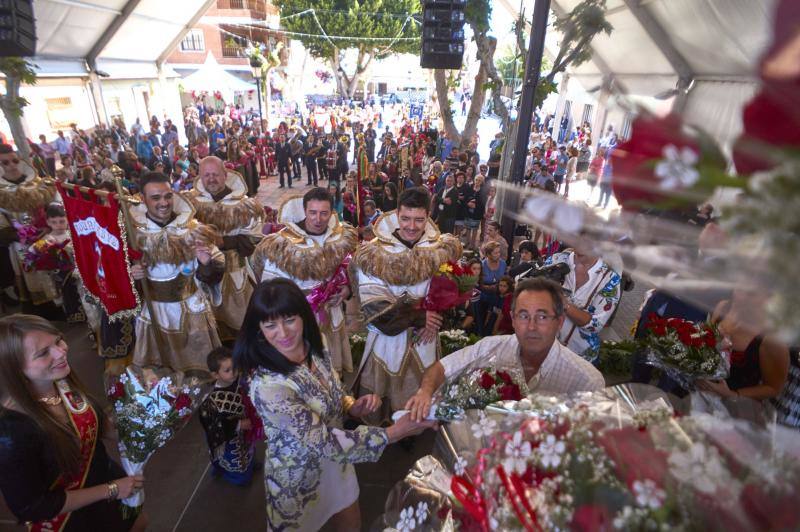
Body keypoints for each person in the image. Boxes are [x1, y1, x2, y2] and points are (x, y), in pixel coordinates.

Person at [235, 279, 435, 531]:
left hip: (337, 463)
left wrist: (351, 406)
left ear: (303, 316)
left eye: (289, 320)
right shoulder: (268, 386)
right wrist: (395, 432)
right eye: (270, 325)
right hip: (298, 475)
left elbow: (333, 386)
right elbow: (323, 442)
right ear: (259, 329)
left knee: (350, 521)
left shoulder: (315, 342)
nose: (283, 334)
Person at [0, 314, 145, 531]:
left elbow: (98, 426)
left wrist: (150, 415)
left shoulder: (59, 380)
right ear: (14, 367)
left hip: (113, 484)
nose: (61, 352)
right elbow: (32, 507)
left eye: (58, 340)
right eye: (42, 353)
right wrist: (112, 489)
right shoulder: (11, 430)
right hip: (75, 517)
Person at [406, 278, 605, 420]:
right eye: (524, 315)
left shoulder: (586, 381)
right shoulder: (491, 347)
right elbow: (441, 368)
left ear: (559, 321)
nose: (532, 327)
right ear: (512, 318)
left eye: (542, 317)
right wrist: (425, 392)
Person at [352, 187, 461, 417]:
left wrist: (437, 318)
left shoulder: (440, 250)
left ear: (428, 217)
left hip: (426, 340)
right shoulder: (374, 254)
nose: (412, 227)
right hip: (386, 343)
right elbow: (375, 310)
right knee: (380, 402)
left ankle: (414, 426)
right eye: (406, 219)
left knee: (423, 390)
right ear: (397, 214)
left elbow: (453, 293)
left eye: (419, 220)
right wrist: (422, 316)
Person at [252, 188, 358, 375]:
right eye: (313, 212)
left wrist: (346, 289)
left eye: (324, 213)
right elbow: (272, 290)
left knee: (331, 365)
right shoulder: (282, 245)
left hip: (331, 311)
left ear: (332, 213)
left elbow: (349, 269)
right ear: (304, 211)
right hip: (297, 316)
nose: (318, 219)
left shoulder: (340, 238)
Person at [128, 172, 224, 374]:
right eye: (155, 198)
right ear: (143, 199)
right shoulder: (133, 233)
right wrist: (132, 275)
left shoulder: (192, 229)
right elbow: (118, 276)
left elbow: (214, 275)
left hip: (191, 309)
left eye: (168, 196)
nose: (164, 203)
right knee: (161, 374)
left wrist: (206, 263)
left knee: (200, 370)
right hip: (155, 311)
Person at [186, 156, 264, 340]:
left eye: (215, 174)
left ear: (225, 174)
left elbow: (253, 238)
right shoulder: (190, 203)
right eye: (206, 175)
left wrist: (222, 242)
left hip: (235, 273)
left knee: (241, 323)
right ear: (199, 176)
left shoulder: (245, 205)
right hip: (201, 274)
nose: (211, 179)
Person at [699, 286, 790, 401]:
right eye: (739, 288)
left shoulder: (772, 338)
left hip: (731, 408)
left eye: (751, 293)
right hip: (698, 389)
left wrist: (732, 395)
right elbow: (701, 348)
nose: (740, 297)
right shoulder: (723, 307)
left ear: (769, 298)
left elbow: (773, 388)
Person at [0, 144, 57, 307]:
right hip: (19, 243)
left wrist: (49, 225)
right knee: (31, 273)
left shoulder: (37, 183)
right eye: (5, 163)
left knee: (53, 270)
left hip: (46, 235)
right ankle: (41, 307)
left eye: (14, 160)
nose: (11, 165)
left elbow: (54, 206)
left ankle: (59, 303)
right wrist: (19, 235)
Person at [547, 243, 621, 362]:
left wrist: (564, 304)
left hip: (579, 356)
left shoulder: (610, 279)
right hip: (545, 346)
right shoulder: (556, 260)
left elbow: (595, 324)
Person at [198, 346, 259, 486]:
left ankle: (249, 465)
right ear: (215, 375)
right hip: (229, 438)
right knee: (236, 462)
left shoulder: (240, 380)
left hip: (245, 431)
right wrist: (238, 424)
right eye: (227, 370)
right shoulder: (211, 399)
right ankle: (235, 477)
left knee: (248, 450)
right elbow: (211, 424)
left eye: (235, 367)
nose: (234, 372)